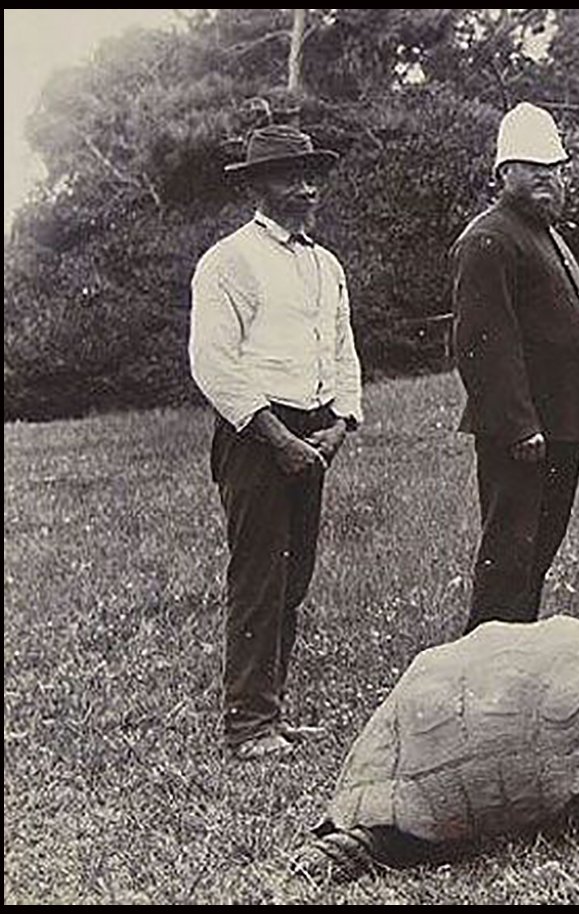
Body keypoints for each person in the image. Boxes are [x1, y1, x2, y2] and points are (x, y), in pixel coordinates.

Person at [189, 125, 363, 759]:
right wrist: (276, 438)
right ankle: (247, 725)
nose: (307, 186)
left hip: (314, 433)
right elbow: (214, 364)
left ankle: (272, 714)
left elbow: (342, 348)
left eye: (313, 173)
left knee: (293, 581)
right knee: (259, 579)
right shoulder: (229, 261)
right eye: (292, 174)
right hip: (257, 436)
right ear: (258, 185)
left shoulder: (325, 263)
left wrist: (341, 422)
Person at [450, 102, 579, 634]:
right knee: (508, 556)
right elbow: (483, 343)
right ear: (503, 174)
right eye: (532, 166)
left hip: (561, 426)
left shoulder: (544, 234)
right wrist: (519, 425)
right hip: (523, 433)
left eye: (555, 167)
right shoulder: (489, 238)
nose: (547, 177)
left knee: (536, 553)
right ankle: (484, 666)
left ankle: (514, 654)